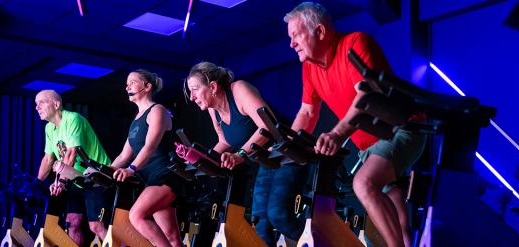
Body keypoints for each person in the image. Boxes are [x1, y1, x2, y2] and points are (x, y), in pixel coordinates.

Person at [284, 2, 426, 246]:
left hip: (401, 128)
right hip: (369, 144)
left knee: (364, 183)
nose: (291, 43)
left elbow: (367, 94)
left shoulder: (355, 43)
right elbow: (307, 112)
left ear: (319, 31)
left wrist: (337, 134)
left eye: (296, 35)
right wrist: (286, 145)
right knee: (396, 212)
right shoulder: (309, 67)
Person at [182, 61, 307, 245]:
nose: (192, 97)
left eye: (194, 89)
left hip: (289, 153)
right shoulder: (213, 110)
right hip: (267, 162)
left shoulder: (239, 90)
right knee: (259, 222)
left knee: (278, 215)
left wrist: (239, 154)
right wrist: (199, 159)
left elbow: (267, 126)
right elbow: (224, 141)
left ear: (213, 86)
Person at [108, 69, 183, 247]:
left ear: (147, 86)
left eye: (133, 82)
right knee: (171, 236)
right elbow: (124, 155)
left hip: (165, 175)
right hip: (151, 179)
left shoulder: (158, 111)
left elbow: (150, 146)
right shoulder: (136, 119)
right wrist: (102, 171)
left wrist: (131, 169)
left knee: (137, 216)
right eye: (127, 83)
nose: (127, 86)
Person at [35, 89, 113, 245]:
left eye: (41, 102)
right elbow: (48, 158)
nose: (37, 107)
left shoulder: (73, 119)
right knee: (72, 222)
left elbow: (72, 154)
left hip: (97, 178)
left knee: (96, 226)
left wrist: (60, 181)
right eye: (36, 104)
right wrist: (35, 184)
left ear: (56, 104)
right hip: (77, 178)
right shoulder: (49, 128)